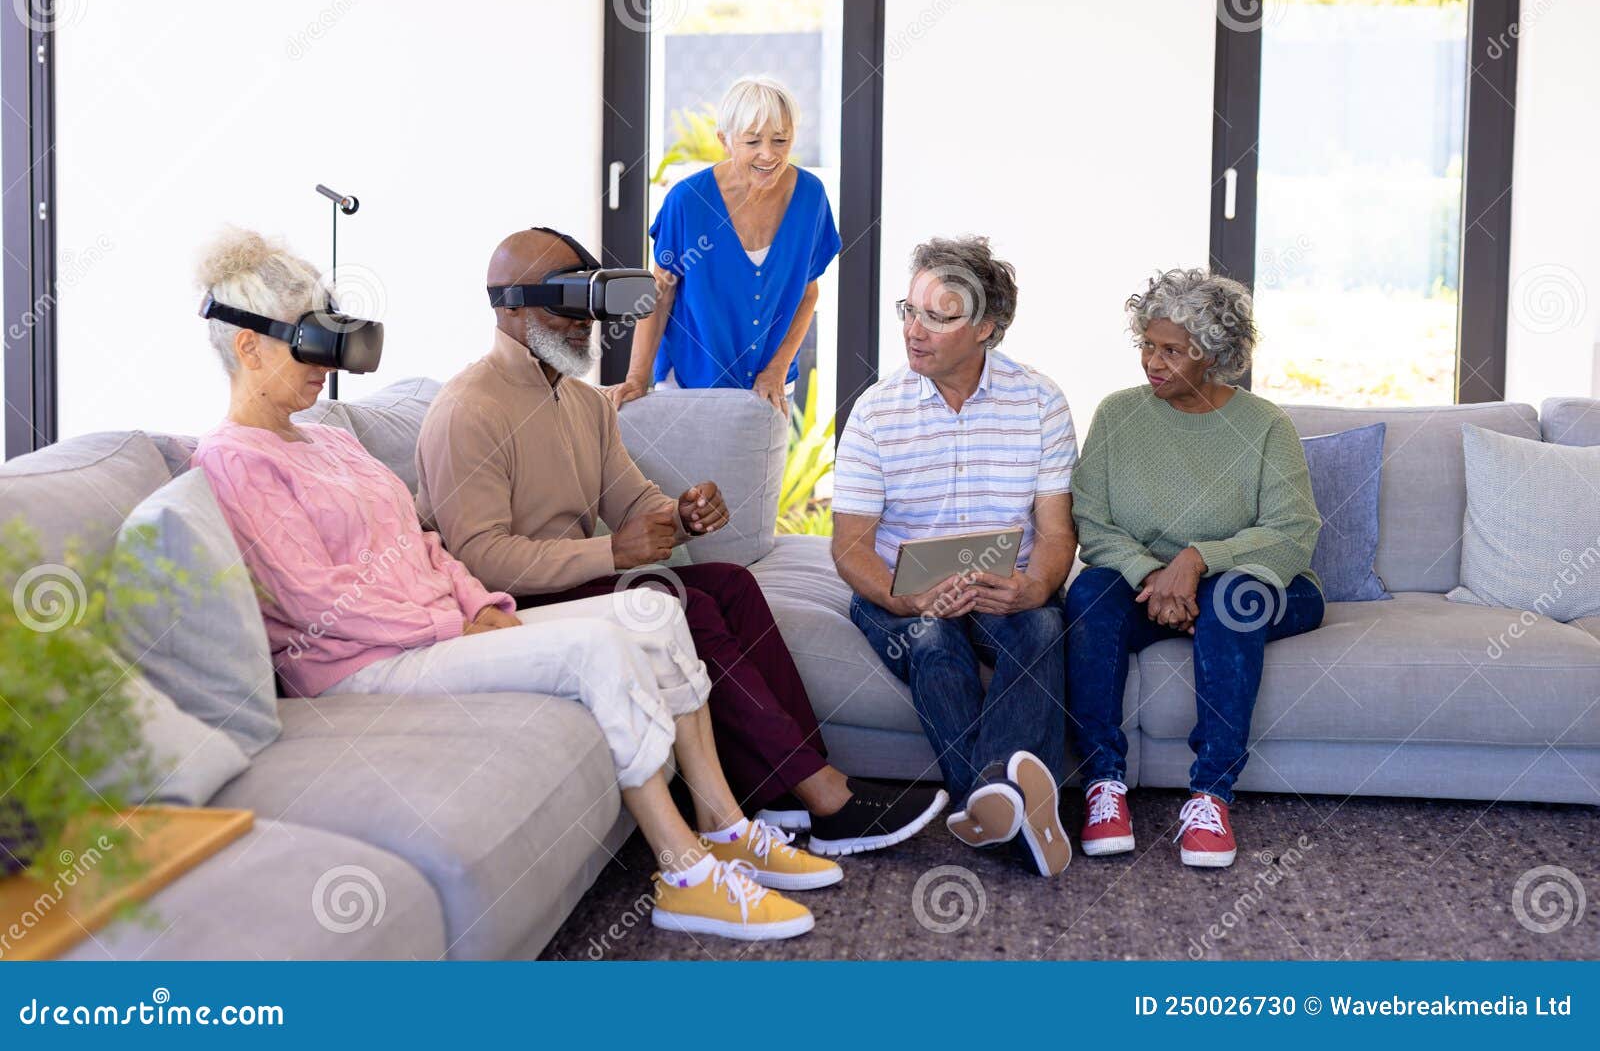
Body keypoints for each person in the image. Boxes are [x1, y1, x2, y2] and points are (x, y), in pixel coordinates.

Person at [190, 227, 828, 943]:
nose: (323, 362)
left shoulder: (332, 440)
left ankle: (725, 823)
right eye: (306, 341)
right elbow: (315, 602)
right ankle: (683, 873)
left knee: (651, 611)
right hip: (361, 665)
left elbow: (424, 544)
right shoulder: (235, 459)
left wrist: (477, 603)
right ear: (248, 347)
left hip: (440, 628)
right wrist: (450, 624)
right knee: (596, 649)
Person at [414, 226, 946, 860]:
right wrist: (616, 553)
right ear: (509, 308)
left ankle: (779, 796)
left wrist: (680, 512)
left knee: (730, 583)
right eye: (566, 304)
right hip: (509, 611)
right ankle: (826, 796)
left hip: (575, 588)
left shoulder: (585, 405)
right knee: (677, 602)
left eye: (590, 302)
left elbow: (631, 500)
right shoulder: (467, 409)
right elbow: (481, 559)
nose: (585, 322)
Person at [831, 235, 1079, 878]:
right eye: (908, 310)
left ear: (986, 328)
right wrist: (905, 597)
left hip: (1002, 586)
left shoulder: (1041, 402)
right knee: (934, 638)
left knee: (1044, 622)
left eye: (938, 317)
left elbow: (1055, 534)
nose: (914, 331)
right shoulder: (876, 412)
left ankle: (990, 801)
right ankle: (1014, 806)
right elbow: (851, 546)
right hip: (900, 591)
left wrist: (1034, 585)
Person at [1065, 268, 1324, 869]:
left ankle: (1211, 795)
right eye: (1147, 346)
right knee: (1088, 597)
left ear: (1213, 354)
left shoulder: (1265, 426)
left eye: (1172, 350)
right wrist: (1153, 576)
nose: (1153, 361)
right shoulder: (1117, 415)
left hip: (1259, 584)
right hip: (1148, 588)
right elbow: (1093, 523)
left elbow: (1293, 535)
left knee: (1231, 599)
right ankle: (1104, 786)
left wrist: (1198, 559)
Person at [605, 75, 841, 417]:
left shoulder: (810, 197)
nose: (768, 154)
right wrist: (636, 378)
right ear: (725, 141)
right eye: (752, 141)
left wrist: (777, 369)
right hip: (691, 383)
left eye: (780, 140)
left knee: (757, 472)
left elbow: (807, 293)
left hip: (770, 387)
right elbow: (661, 292)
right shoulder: (687, 201)